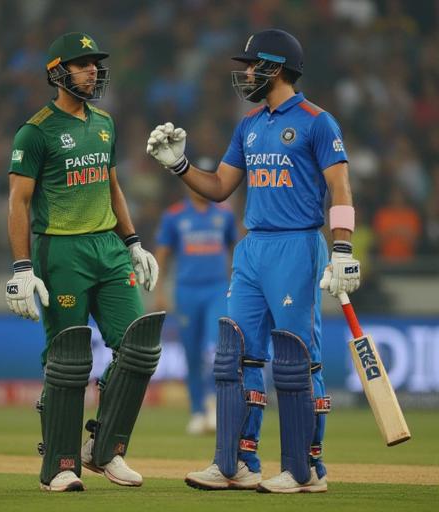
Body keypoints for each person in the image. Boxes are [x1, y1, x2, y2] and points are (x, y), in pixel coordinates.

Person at [147, 29, 360, 493]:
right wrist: (179, 166)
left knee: (295, 359)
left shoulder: (317, 121)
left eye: (252, 65)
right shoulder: (249, 123)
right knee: (234, 355)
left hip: (297, 246)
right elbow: (222, 187)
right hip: (252, 247)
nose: (245, 73)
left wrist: (342, 249)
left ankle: (306, 471)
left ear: (275, 67)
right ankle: (235, 464)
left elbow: (341, 189)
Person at [5, 32, 163, 492]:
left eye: (95, 63)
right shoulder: (35, 131)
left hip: (109, 250)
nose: (92, 70)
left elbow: (112, 187)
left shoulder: (105, 123)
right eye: (82, 63)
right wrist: (21, 267)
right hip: (61, 250)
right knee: (69, 358)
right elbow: (18, 202)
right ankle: (59, 465)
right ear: (58, 72)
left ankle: (105, 449)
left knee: (140, 345)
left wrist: (133, 241)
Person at [154, 184, 237, 434]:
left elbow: (236, 247)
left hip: (217, 289)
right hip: (186, 290)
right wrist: (159, 291)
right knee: (191, 352)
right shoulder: (175, 215)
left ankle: (214, 404)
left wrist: (239, 281)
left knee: (215, 347)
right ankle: (197, 411)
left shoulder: (224, 214)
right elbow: (162, 253)